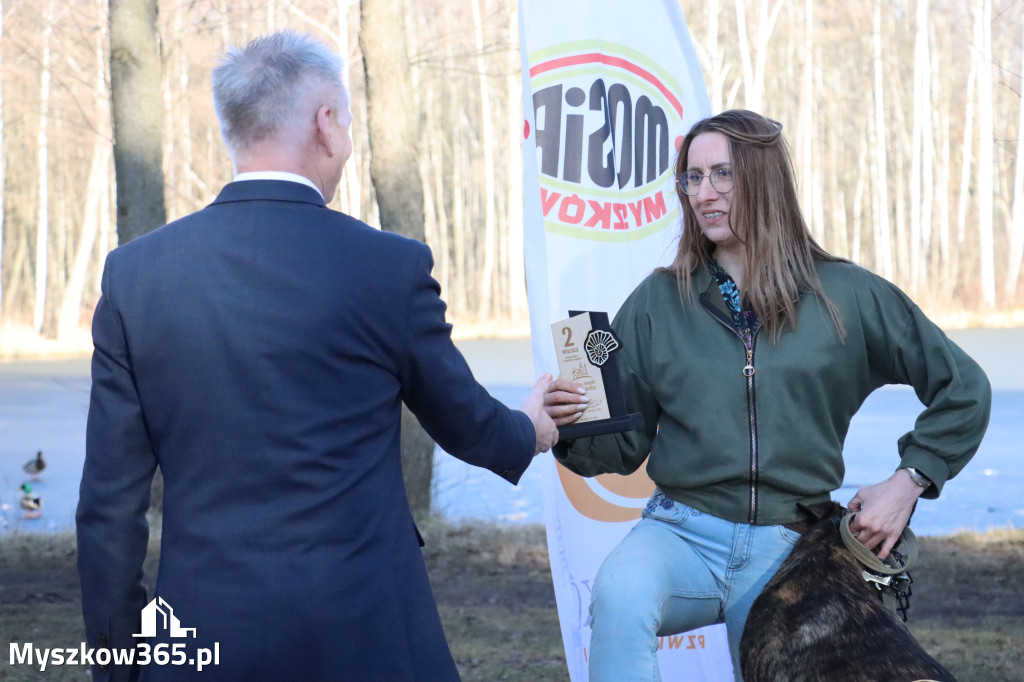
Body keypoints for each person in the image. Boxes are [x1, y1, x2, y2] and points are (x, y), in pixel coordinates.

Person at [76, 30, 558, 682]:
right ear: (326, 126)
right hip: (368, 637)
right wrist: (529, 427)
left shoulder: (136, 276)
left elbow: (108, 510)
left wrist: (120, 664)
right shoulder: (388, 267)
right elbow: (468, 424)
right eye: (348, 122)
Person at [543, 109, 991, 682]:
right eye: (693, 177)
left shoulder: (846, 295)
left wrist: (909, 481)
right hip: (681, 534)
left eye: (722, 175)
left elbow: (965, 387)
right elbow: (621, 449)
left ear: (764, 179)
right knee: (619, 596)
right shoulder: (658, 301)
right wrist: (571, 425)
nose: (704, 193)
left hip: (793, 551)